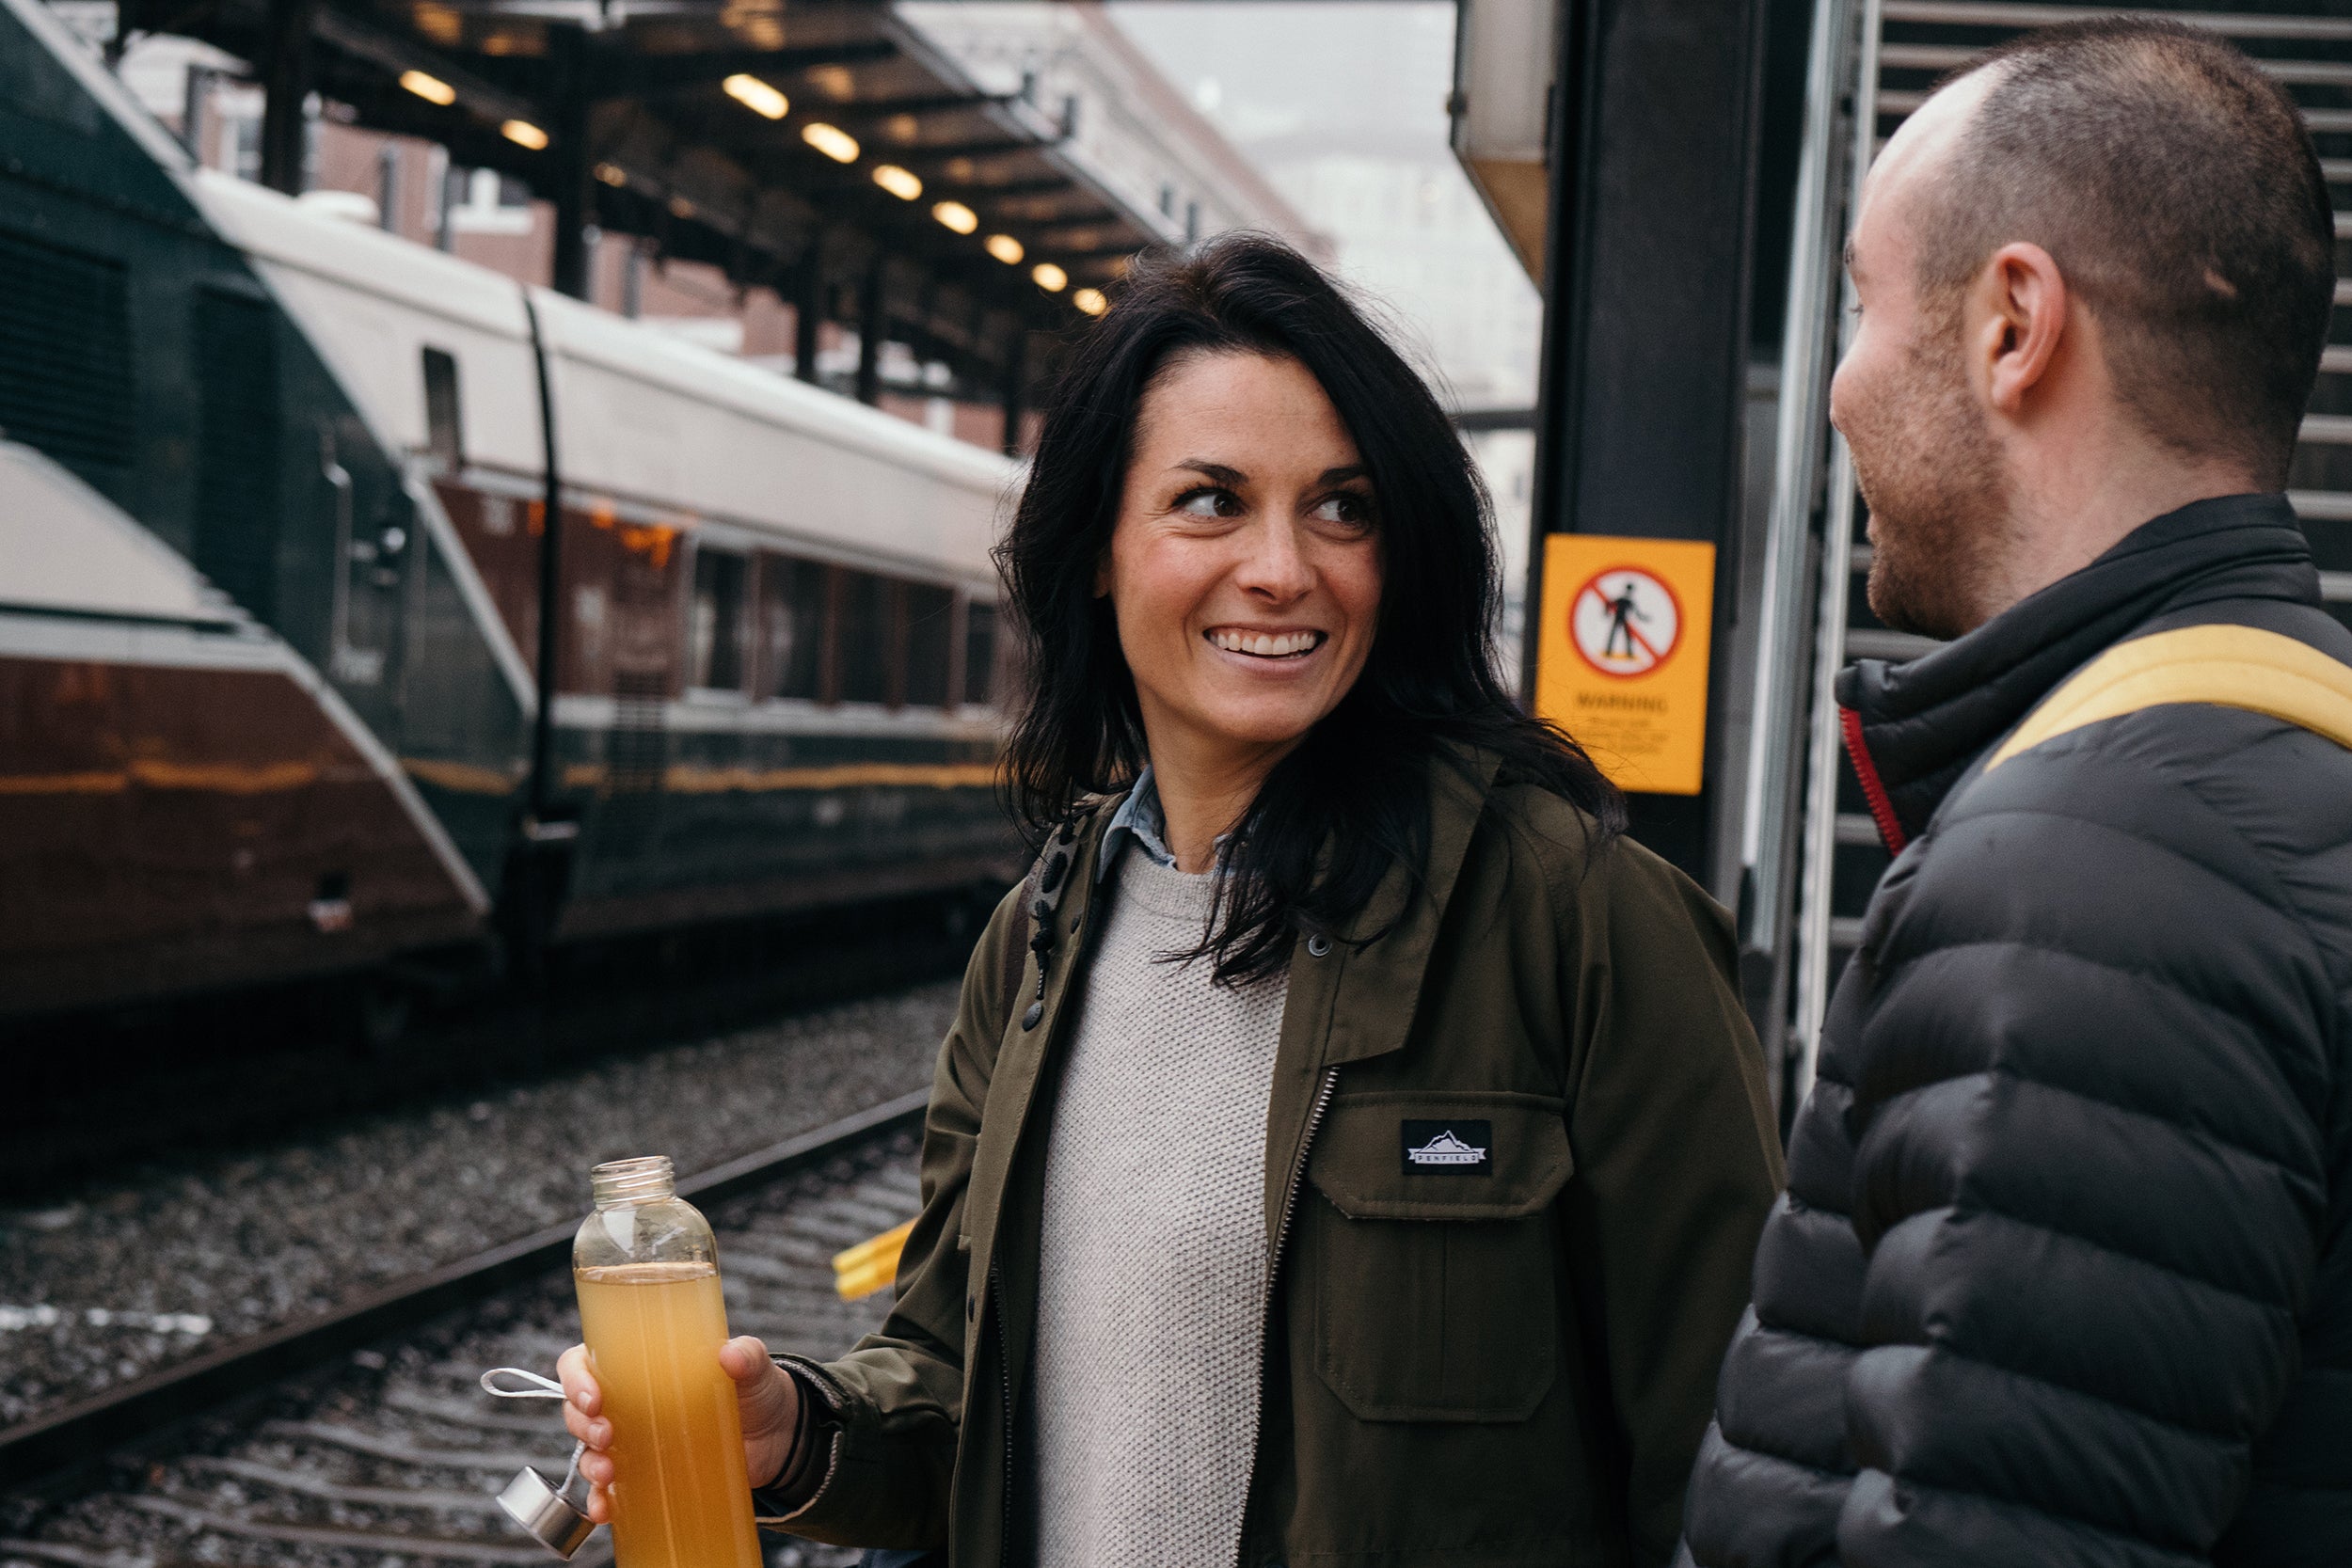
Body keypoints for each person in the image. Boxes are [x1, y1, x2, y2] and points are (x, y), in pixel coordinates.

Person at [557, 233, 1784, 1567]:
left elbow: (1743, 1466)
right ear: (1098, 548)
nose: (1283, 568)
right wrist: (795, 1433)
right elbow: (965, 1393)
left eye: (1343, 508)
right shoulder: (1035, 948)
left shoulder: (1578, 923)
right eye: (1211, 501)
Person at [1678, 20, 2348, 1567]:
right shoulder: (2285, 773)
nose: (1838, 390)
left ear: (2013, 327)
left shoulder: (2089, 878)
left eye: (1864, 304)